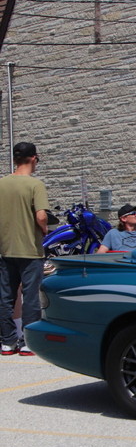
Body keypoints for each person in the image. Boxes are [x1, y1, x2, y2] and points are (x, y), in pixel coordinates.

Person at [0, 142, 49, 356]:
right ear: (33, 159)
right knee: (30, 296)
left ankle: (7, 342)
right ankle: (28, 342)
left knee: (5, 296)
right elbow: (41, 215)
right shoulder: (35, 185)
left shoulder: (2, 183)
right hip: (30, 249)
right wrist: (45, 229)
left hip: (5, 249)